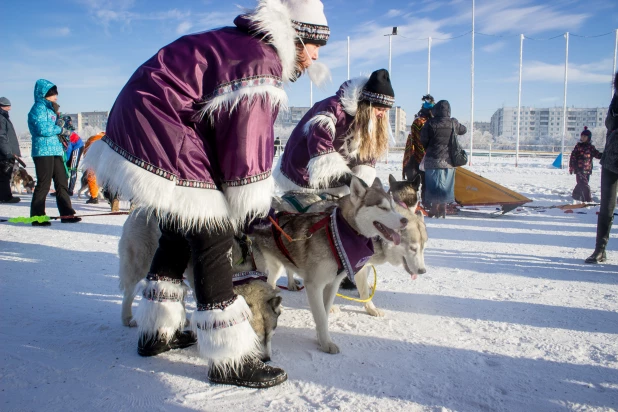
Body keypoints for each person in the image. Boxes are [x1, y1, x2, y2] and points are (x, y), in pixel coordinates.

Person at [83, 0, 330, 388]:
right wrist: (249, 210)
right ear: (297, 36)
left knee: (179, 230)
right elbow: (246, 144)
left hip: (145, 123)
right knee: (213, 237)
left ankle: (156, 333)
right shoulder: (260, 61)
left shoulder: (241, 46)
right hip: (161, 128)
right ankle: (228, 359)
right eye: (315, 45)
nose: (315, 57)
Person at [275, 69, 395, 195]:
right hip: (302, 172)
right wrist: (347, 178)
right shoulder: (333, 108)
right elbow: (319, 141)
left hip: (336, 183)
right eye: (380, 109)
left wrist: (362, 179)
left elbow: (366, 155)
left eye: (385, 111)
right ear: (367, 106)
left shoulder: (370, 122)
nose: (382, 114)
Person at [28, 80, 81, 226]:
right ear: (45, 94)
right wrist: (60, 129)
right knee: (44, 184)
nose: (56, 97)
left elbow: (52, 126)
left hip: (56, 150)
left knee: (62, 181)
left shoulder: (51, 110)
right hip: (43, 151)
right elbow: (42, 130)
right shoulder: (38, 108)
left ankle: (67, 214)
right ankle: (37, 216)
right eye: (53, 94)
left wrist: (62, 125)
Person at [586, 71, 618, 264]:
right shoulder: (616, 98)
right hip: (612, 157)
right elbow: (609, 123)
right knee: (606, 206)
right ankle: (600, 249)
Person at [420, 100, 466, 218]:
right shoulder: (452, 123)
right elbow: (463, 130)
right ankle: (443, 208)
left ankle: (434, 208)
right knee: (446, 185)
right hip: (449, 161)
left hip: (432, 159)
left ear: (435, 110)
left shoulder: (429, 123)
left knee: (433, 185)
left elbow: (423, 139)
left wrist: (429, 147)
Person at [402, 94, 434, 202]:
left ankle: (417, 203)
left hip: (417, 157)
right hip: (417, 158)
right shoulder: (421, 122)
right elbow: (418, 141)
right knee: (420, 183)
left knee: (418, 184)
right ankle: (417, 203)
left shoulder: (419, 121)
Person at [569, 127, 602, 203]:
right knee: (584, 184)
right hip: (579, 168)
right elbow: (573, 157)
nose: (583, 138)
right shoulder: (578, 146)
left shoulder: (591, 147)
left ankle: (576, 195)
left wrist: (605, 155)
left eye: (585, 136)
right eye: (582, 136)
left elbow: (597, 154)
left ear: (589, 138)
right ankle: (588, 199)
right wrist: (572, 167)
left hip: (587, 169)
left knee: (582, 183)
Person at [0, 97, 22, 203]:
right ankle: (5, 197)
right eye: (6, 106)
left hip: (7, 152)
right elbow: (2, 136)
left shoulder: (4, 117)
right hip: (5, 153)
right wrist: (8, 152)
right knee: (4, 175)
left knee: (5, 175)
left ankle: (5, 195)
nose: (9, 108)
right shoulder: (1, 118)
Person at [63, 117, 84, 196]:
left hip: (77, 147)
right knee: (66, 168)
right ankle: (63, 189)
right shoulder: (64, 132)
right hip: (72, 148)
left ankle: (70, 190)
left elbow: (68, 149)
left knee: (72, 167)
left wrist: (66, 161)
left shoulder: (68, 133)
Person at [82, 132, 105, 204]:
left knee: (92, 177)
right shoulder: (107, 137)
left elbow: (86, 152)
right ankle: (111, 197)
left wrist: (86, 160)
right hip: (104, 160)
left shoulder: (92, 139)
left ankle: (94, 197)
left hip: (93, 159)